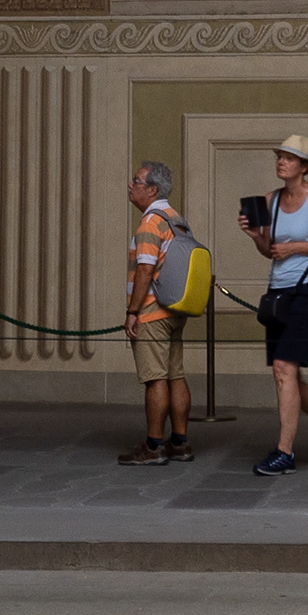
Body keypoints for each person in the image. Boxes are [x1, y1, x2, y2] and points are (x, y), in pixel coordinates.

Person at [242, 135, 308, 477]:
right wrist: (256, 237)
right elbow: (270, 250)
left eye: (288, 158)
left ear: (303, 166)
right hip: (278, 294)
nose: (281, 162)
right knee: (285, 372)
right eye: (280, 157)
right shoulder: (270, 200)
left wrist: (296, 248)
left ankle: (284, 453)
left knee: (284, 368)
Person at [119, 161, 194, 466]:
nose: (130, 185)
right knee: (176, 375)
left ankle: (153, 447)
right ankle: (181, 443)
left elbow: (145, 269)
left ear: (151, 189)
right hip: (176, 309)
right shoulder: (176, 218)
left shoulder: (150, 222)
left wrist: (132, 311)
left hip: (152, 311)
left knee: (155, 379)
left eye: (135, 181)